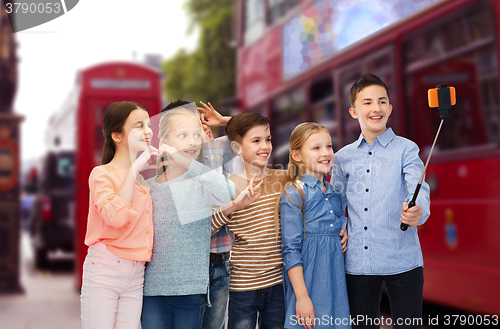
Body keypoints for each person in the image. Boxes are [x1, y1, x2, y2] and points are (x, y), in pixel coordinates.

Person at [331, 74, 430, 329]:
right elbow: (336, 204)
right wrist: (339, 227)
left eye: (382, 101)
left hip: (403, 258)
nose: (376, 108)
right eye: (367, 102)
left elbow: (419, 189)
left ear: (390, 108)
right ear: (354, 111)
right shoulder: (342, 158)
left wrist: (418, 211)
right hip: (358, 263)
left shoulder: (407, 149)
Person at [140, 101, 236, 329]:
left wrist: (185, 161)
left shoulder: (200, 183)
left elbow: (227, 193)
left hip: (192, 290)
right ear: (163, 142)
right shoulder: (148, 186)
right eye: (183, 135)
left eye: (196, 135)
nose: (192, 141)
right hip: (152, 291)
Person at [80, 101, 162, 329]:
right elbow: (115, 217)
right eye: (139, 125)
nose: (148, 131)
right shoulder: (102, 174)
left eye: (148, 124)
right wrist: (134, 169)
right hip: (105, 268)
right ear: (117, 136)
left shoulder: (143, 180)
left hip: (136, 273)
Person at [278, 122, 350, 329]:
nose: (326, 152)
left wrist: (341, 230)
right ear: (296, 156)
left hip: (335, 282)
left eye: (328, 146)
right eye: (316, 148)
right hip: (309, 282)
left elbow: (334, 225)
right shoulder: (294, 193)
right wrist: (302, 298)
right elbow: (290, 250)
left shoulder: (334, 192)